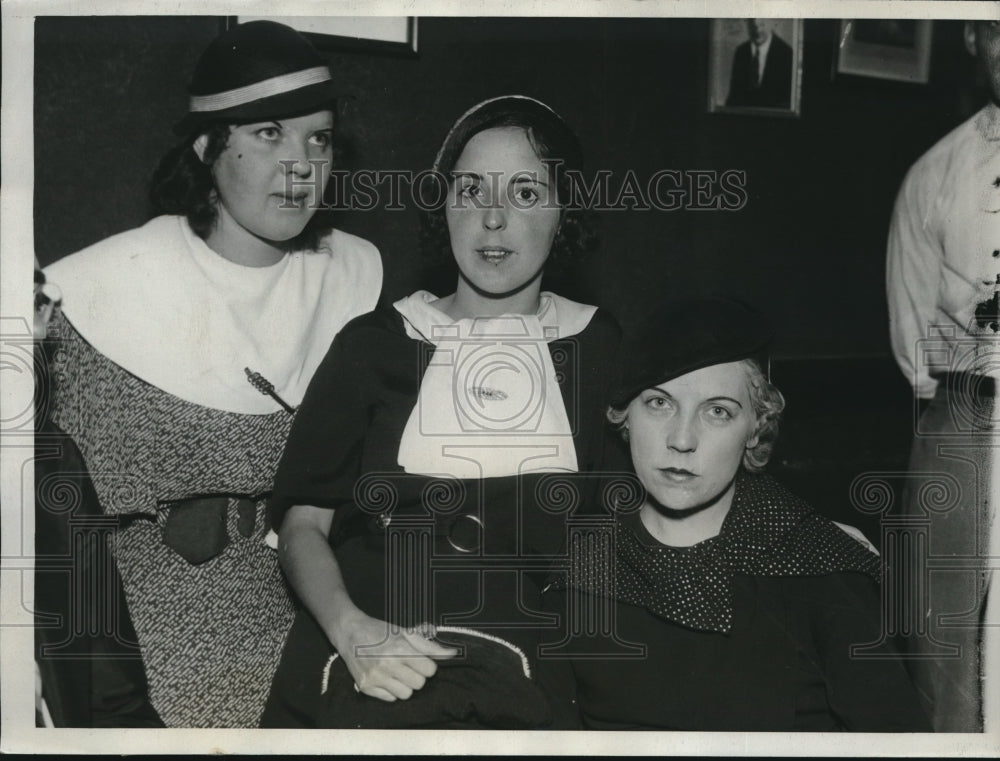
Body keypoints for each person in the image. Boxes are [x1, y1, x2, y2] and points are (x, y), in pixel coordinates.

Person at [42, 21, 383, 727]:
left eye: (317, 139)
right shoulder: (100, 290)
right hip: (145, 638)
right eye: (268, 134)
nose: (300, 167)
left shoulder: (354, 279)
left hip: (312, 608)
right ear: (205, 145)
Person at [261, 95, 620, 729]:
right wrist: (353, 632)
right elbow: (302, 525)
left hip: (530, 652)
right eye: (471, 191)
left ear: (566, 213)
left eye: (527, 194)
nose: (493, 220)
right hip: (368, 640)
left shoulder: (601, 351)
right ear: (444, 205)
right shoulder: (373, 344)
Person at [538, 297, 931, 731]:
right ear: (624, 415)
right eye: (659, 403)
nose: (682, 439)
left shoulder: (823, 568)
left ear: (755, 430)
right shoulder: (581, 567)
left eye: (718, 411)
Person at [886, 19, 1000, 733]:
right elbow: (915, 338)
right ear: (970, 38)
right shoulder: (937, 174)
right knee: (949, 639)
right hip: (968, 412)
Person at [726, 19, 793, 109]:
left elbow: (786, 103)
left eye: (762, 24)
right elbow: (733, 98)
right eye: (752, 25)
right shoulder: (741, 52)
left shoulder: (786, 54)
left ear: (772, 23)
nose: (757, 31)